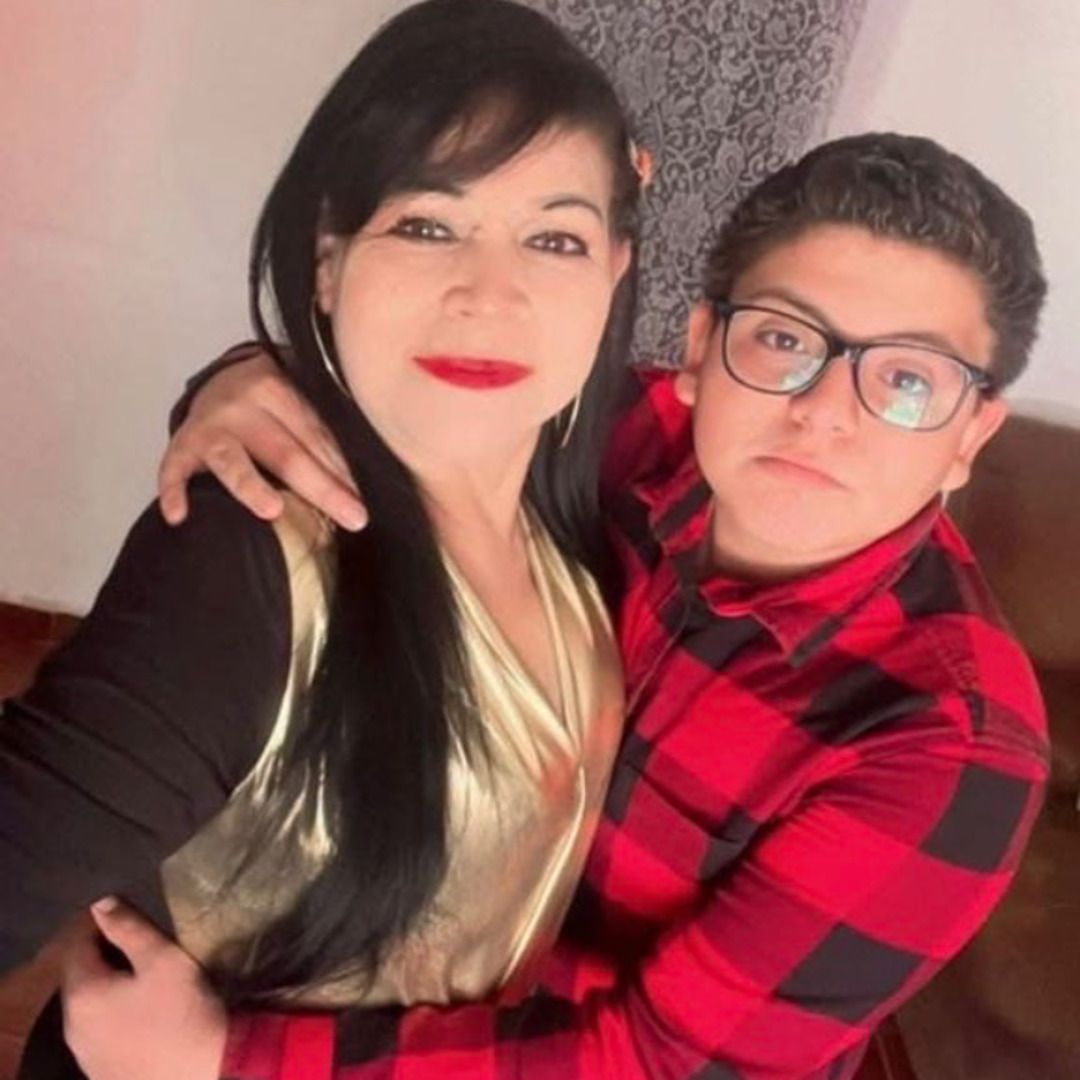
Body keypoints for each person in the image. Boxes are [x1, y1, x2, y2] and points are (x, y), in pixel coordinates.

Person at [68, 131, 1051, 1080]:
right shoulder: (610, 426)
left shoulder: (949, 749)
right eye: (785, 339)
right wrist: (243, 382)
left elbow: (662, 1063)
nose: (824, 412)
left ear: (971, 434)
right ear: (701, 346)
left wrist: (223, 1062)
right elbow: (388, 380)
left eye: (909, 379)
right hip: (363, 943)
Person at [0, 0, 643, 1075]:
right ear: (330, 261)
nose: (490, 293)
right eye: (427, 225)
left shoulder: (595, 523)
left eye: (554, 238)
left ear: (614, 272)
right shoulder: (248, 555)